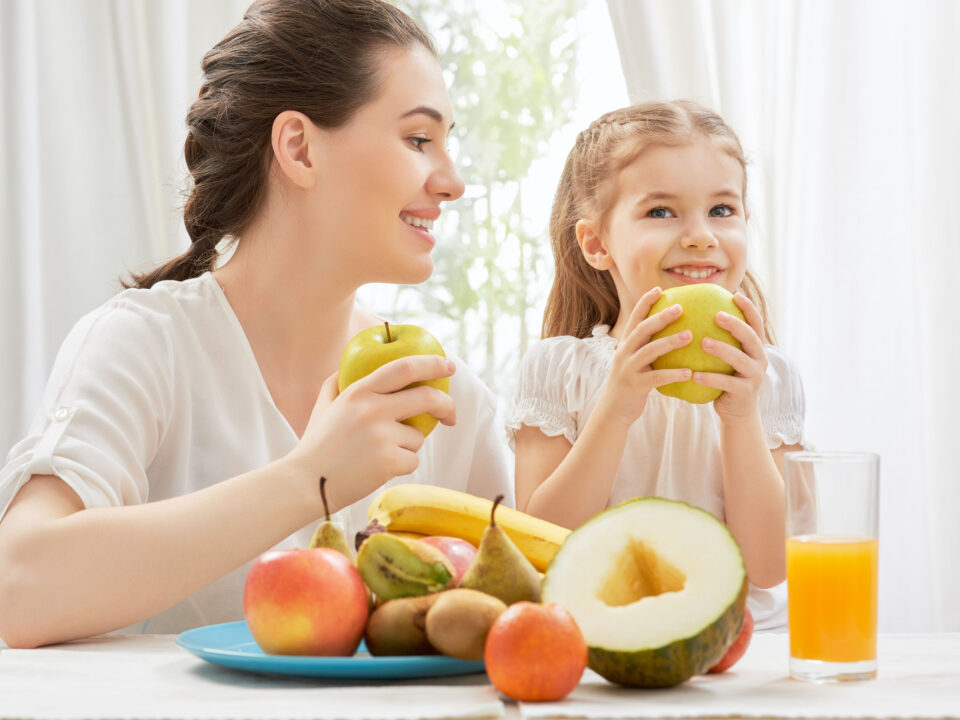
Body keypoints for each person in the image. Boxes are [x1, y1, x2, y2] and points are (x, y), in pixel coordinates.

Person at [0, 0, 511, 649]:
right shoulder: (145, 346)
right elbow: (18, 589)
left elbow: (544, 603)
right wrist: (307, 481)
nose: (454, 182)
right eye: (418, 139)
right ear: (299, 148)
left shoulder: (445, 393)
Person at [507, 101, 804, 630]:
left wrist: (741, 416)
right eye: (661, 212)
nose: (700, 236)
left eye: (721, 210)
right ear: (597, 244)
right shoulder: (559, 371)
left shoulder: (770, 378)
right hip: (602, 641)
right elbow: (541, 547)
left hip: (739, 651)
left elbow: (769, 565)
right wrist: (615, 409)